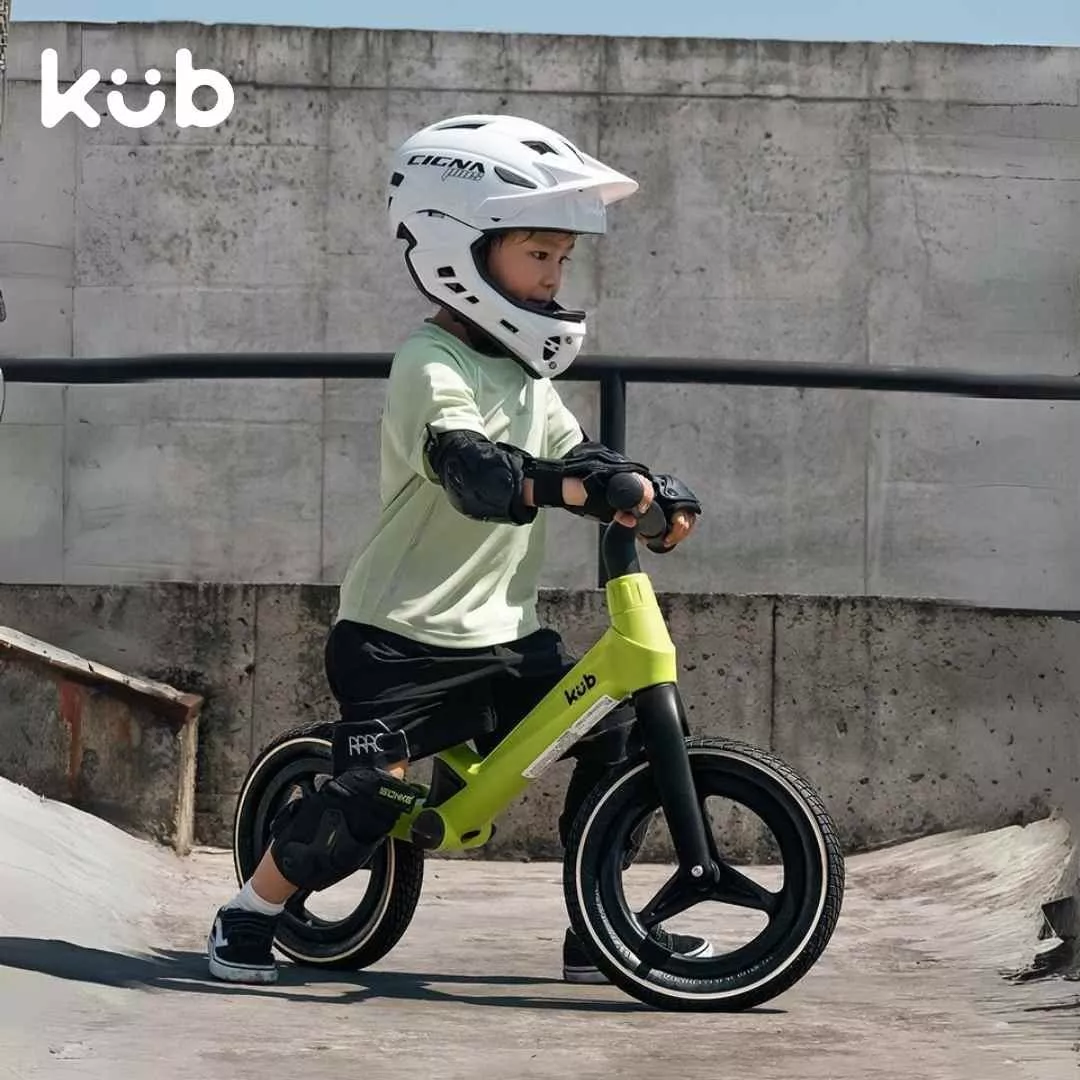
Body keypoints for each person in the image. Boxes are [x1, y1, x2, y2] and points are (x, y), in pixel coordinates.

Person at [206, 114, 708, 986]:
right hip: (399, 641)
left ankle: (598, 929)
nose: (554, 276)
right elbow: (474, 470)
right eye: (537, 255)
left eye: (561, 259)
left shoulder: (524, 375)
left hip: (506, 643)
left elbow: (576, 454)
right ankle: (250, 910)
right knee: (373, 797)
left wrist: (646, 490)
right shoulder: (430, 362)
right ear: (462, 251)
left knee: (623, 733)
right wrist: (573, 490)